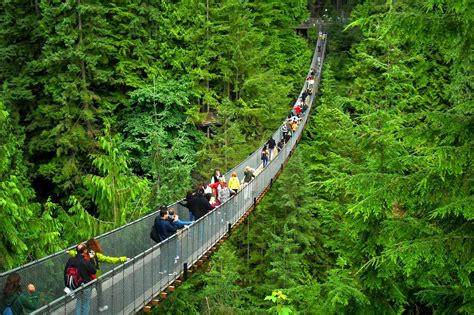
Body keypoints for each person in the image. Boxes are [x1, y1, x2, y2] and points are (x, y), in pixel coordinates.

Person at [67, 239, 127, 312]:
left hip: (84, 280)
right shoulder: (96, 255)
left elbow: (75, 253)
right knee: (97, 294)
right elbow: (110, 259)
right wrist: (123, 259)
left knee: (80, 301)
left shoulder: (82, 255)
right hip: (96, 277)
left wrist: (68, 251)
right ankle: (100, 306)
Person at [65, 243, 97, 315]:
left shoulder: (71, 260)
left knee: (79, 303)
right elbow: (93, 270)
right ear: (85, 251)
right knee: (85, 304)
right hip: (85, 286)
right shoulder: (84, 262)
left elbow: (65, 272)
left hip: (75, 286)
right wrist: (92, 258)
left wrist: (67, 285)